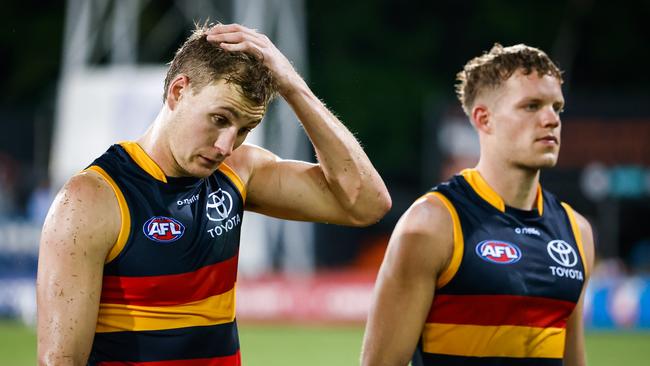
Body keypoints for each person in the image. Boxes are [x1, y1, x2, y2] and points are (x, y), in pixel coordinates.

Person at [37, 23, 391, 365]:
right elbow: (61, 360)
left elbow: (367, 204)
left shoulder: (239, 171)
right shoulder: (91, 199)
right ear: (178, 92)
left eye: (244, 129)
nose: (226, 145)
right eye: (220, 119)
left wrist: (292, 86)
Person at [362, 43, 594, 366]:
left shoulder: (576, 232)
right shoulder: (432, 224)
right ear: (484, 119)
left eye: (557, 107)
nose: (551, 119)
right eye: (531, 106)